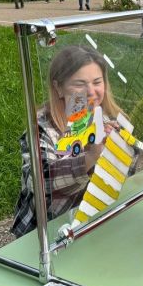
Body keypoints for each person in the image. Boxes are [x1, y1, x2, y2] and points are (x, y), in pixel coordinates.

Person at [11, 45, 121, 237]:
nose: (91, 91)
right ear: (58, 87)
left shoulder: (102, 119)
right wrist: (92, 155)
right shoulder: (42, 128)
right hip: (45, 233)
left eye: (97, 82)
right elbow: (40, 182)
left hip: (89, 222)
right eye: (79, 84)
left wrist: (121, 147)